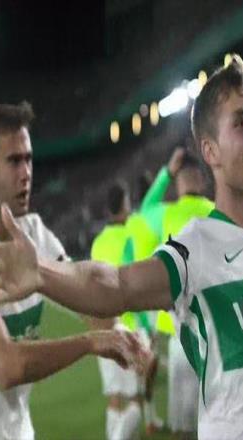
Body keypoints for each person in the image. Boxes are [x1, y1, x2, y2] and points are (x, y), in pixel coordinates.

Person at [0, 56, 243, 439]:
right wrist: (42, 272)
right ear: (210, 152)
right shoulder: (197, 246)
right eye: (241, 122)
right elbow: (117, 284)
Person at [0, 102, 145, 440]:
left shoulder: (36, 234)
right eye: (14, 161)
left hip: (20, 428)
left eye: (29, 159)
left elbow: (87, 303)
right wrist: (90, 343)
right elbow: (7, 367)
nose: (26, 172)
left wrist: (128, 337)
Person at [143, 148, 214, 439]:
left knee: (182, 426)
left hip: (181, 334)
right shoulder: (216, 211)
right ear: (202, 180)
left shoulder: (166, 214)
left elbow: (145, 208)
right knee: (219, 420)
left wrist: (166, 173)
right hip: (217, 334)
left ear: (179, 182)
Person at [90, 180, 146, 440]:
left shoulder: (98, 243)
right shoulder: (130, 238)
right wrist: (147, 328)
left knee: (114, 398)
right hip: (128, 329)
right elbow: (135, 288)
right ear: (124, 205)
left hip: (103, 328)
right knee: (136, 398)